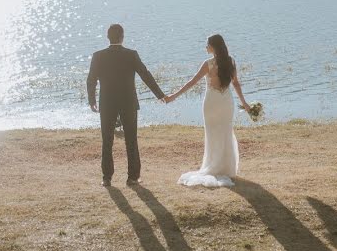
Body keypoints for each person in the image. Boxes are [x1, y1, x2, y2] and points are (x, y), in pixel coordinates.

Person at [165, 34, 251, 187]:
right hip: (226, 102)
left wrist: (174, 96)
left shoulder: (208, 64)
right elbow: (236, 84)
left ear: (214, 47)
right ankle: (226, 168)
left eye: (207, 45)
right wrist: (244, 103)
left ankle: (214, 166)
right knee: (225, 132)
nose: (206, 47)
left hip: (211, 103)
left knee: (213, 134)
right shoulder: (230, 61)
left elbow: (192, 82)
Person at [87, 23, 165, 187]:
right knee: (131, 140)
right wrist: (160, 95)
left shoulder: (98, 56)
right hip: (128, 102)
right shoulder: (131, 55)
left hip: (107, 103)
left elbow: (91, 80)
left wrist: (92, 101)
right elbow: (145, 75)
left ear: (108, 37)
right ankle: (133, 177)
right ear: (122, 37)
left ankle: (106, 178)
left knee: (107, 140)